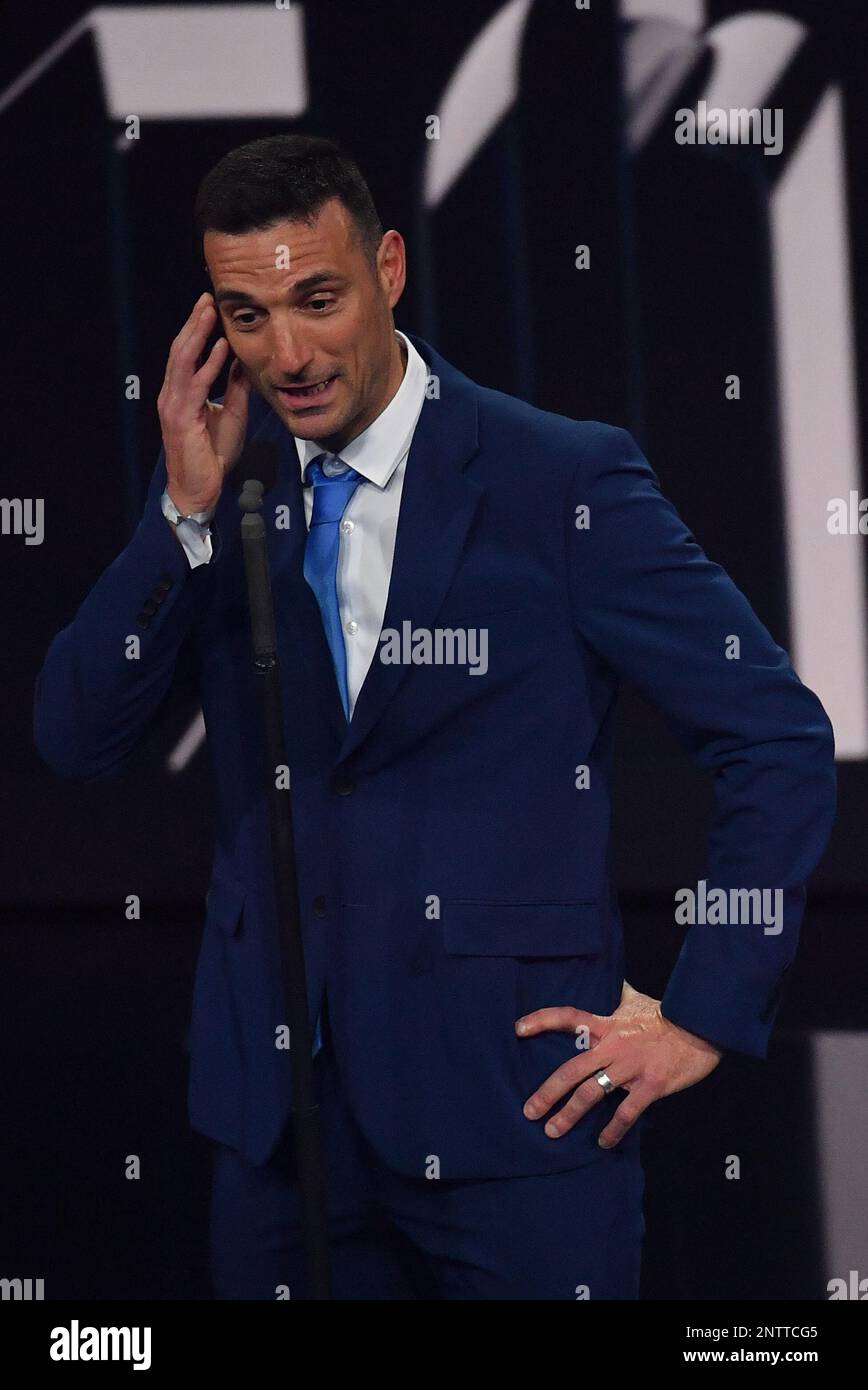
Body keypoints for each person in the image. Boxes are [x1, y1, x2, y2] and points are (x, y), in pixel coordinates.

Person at [33, 133, 837, 1300]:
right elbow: (73, 735)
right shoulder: (229, 490)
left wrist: (705, 1011)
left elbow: (774, 735)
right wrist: (184, 520)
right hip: (280, 1142)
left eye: (318, 299)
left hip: (518, 1127)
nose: (289, 352)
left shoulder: (558, 480)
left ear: (389, 269)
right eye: (247, 316)